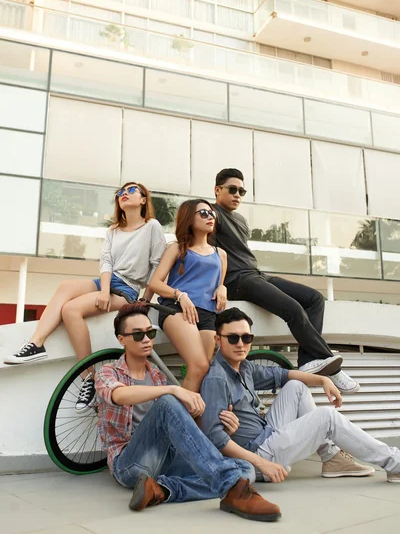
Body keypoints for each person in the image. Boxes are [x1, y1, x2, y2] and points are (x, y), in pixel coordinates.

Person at [94, 302, 282, 522]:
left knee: (245, 470)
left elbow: (180, 427)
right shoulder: (107, 372)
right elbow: (119, 395)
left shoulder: (155, 375)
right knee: (167, 402)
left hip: (163, 459)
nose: (146, 340)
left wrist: (224, 425)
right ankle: (233, 489)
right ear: (121, 339)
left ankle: (161, 490)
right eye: (137, 335)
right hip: (129, 464)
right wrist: (174, 389)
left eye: (150, 333)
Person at [4, 182, 166, 413]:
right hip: (107, 282)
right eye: (120, 192)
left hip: (128, 289)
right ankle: (35, 344)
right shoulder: (113, 230)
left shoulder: (152, 226)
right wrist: (103, 290)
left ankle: (88, 377)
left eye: (130, 191)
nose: (123, 195)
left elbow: (157, 265)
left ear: (143, 199)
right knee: (65, 287)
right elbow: (106, 262)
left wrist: (145, 300)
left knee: (70, 310)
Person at [200, 307, 400, 485]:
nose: (241, 344)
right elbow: (215, 437)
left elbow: (283, 375)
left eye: (247, 338)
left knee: (296, 385)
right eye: (233, 338)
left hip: (266, 434)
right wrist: (262, 463)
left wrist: (324, 380)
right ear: (218, 339)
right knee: (326, 417)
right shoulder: (217, 379)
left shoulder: (244, 367)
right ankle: (395, 462)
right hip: (257, 455)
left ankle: (331, 458)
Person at [212, 167, 359, 394]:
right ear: (217, 190)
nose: (238, 195)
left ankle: (308, 362)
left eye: (242, 191)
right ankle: (331, 366)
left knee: (314, 299)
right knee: (293, 308)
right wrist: (219, 284)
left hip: (256, 273)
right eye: (232, 189)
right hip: (237, 279)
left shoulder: (240, 220)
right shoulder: (212, 214)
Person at [150, 199, 227, 392]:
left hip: (208, 313)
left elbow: (219, 283)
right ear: (189, 218)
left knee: (204, 372)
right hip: (177, 309)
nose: (210, 217)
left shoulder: (221, 254)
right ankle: (179, 420)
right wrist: (180, 295)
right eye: (203, 213)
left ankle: (193, 420)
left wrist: (223, 288)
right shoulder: (177, 248)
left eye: (212, 213)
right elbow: (155, 282)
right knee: (199, 366)